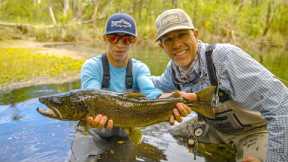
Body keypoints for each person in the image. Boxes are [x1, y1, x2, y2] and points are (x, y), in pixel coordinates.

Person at [152, 9, 288, 162]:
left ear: (195, 35)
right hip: (214, 129)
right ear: (162, 46)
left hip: (254, 132)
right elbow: (154, 86)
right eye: (168, 39)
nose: (176, 44)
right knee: (174, 135)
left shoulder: (225, 58)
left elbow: (282, 105)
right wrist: (131, 74)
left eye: (182, 34)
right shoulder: (173, 70)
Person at [68, 13, 164, 162]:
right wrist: (94, 115)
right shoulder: (92, 66)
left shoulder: (140, 69)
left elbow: (150, 92)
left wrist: (167, 102)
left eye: (126, 39)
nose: (120, 44)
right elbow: (92, 95)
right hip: (94, 127)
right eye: (114, 38)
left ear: (134, 41)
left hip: (126, 130)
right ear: (105, 38)